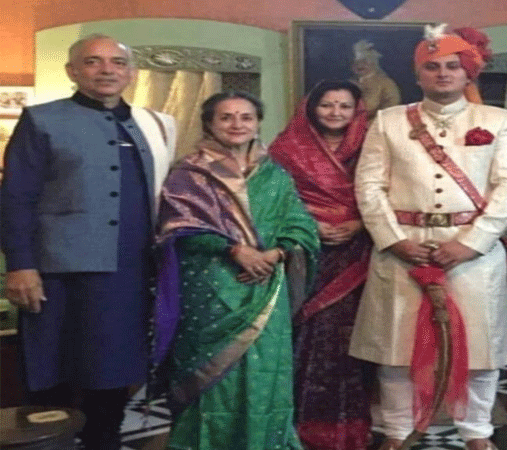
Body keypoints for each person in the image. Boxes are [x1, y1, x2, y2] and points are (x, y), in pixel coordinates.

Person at [348, 24, 507, 450]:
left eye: (452, 66)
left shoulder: (498, 121)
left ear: (468, 73)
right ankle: (396, 431)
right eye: (432, 67)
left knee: (481, 349)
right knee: (396, 348)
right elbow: (368, 185)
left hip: (473, 253)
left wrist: (470, 243)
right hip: (402, 248)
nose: (443, 74)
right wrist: (394, 240)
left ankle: (478, 432)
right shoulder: (389, 121)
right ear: (418, 75)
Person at [0, 34, 176, 450]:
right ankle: (51, 441)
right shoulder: (42, 120)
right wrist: (21, 265)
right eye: (94, 61)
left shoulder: (153, 125)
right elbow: (16, 197)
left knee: (113, 368)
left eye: (118, 62)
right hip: (56, 271)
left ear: (131, 73)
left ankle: (104, 441)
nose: (107, 70)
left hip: (128, 272)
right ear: (73, 71)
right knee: (52, 367)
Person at [155, 91, 320, 450]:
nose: (237, 124)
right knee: (212, 372)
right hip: (213, 286)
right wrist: (234, 250)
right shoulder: (189, 173)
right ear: (209, 124)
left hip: (267, 285)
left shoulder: (275, 174)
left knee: (267, 367)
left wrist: (277, 253)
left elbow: (300, 223)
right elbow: (177, 226)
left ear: (258, 123)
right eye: (226, 117)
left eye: (246, 117)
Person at [268, 80, 373, 450]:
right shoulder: (286, 148)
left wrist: (360, 223)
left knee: (355, 336)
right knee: (309, 334)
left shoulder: (373, 145)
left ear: (356, 111)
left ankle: (356, 423)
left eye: (344, 106)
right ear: (311, 108)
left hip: (360, 253)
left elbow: (388, 193)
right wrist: (311, 224)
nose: (335, 113)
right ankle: (301, 421)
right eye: (327, 105)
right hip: (305, 254)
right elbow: (274, 199)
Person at [351, 40, 401, 121]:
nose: (360, 65)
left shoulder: (385, 83)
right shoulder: (351, 83)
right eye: (356, 62)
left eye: (364, 61)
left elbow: (370, 106)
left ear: (373, 62)